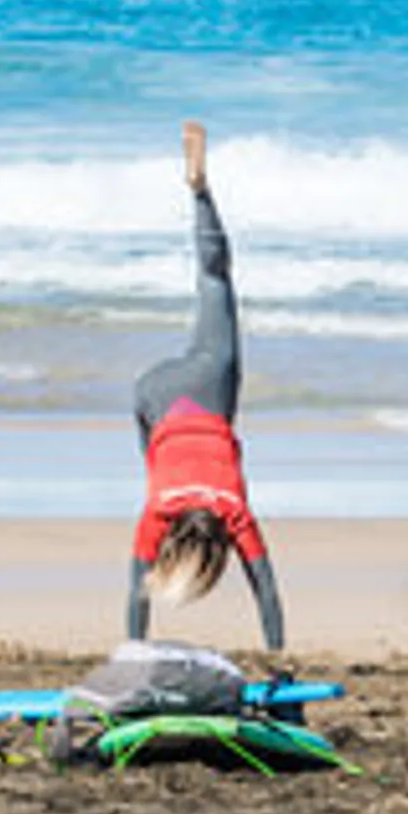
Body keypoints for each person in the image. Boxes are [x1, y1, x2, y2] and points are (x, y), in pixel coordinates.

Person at [128, 122, 285, 651]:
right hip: (151, 398)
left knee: (217, 277)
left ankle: (200, 191)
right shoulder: (159, 515)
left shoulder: (233, 512)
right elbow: (135, 592)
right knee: (151, 460)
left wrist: (277, 650)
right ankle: (198, 191)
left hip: (207, 388)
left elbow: (267, 590)